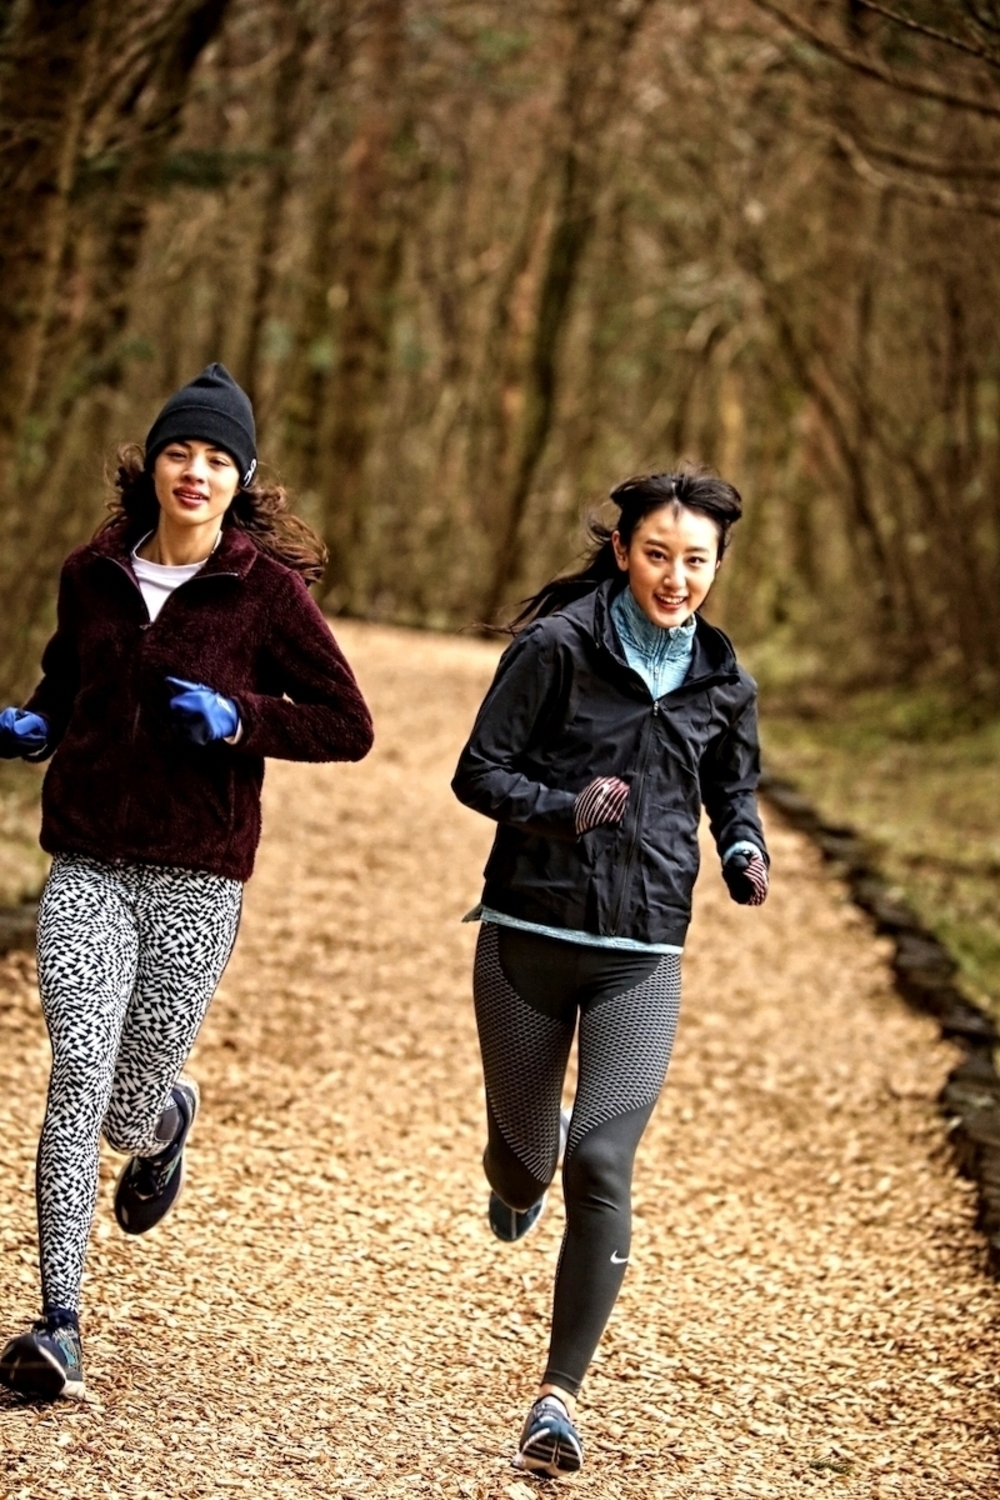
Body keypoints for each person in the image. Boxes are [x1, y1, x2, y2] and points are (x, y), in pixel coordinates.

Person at [0, 365, 373, 1402]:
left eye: (216, 458)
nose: (195, 472)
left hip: (197, 877)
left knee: (122, 1112)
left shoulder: (266, 594)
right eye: (180, 451)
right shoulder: (90, 572)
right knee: (76, 1074)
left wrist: (237, 717)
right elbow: (66, 680)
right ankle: (58, 1323)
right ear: (153, 465)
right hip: (87, 861)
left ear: (240, 478)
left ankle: (164, 1118)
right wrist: (34, 726)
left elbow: (347, 725)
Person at [452, 469, 769, 1478]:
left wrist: (744, 849)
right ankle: (513, 1178)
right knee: (526, 1163)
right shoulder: (556, 648)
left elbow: (733, 789)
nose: (677, 577)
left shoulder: (724, 681)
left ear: (717, 565)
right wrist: (563, 810)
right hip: (527, 934)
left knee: (600, 1163)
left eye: (696, 561)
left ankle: (557, 1400)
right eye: (658, 555)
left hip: (644, 952)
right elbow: (476, 772)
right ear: (624, 550)